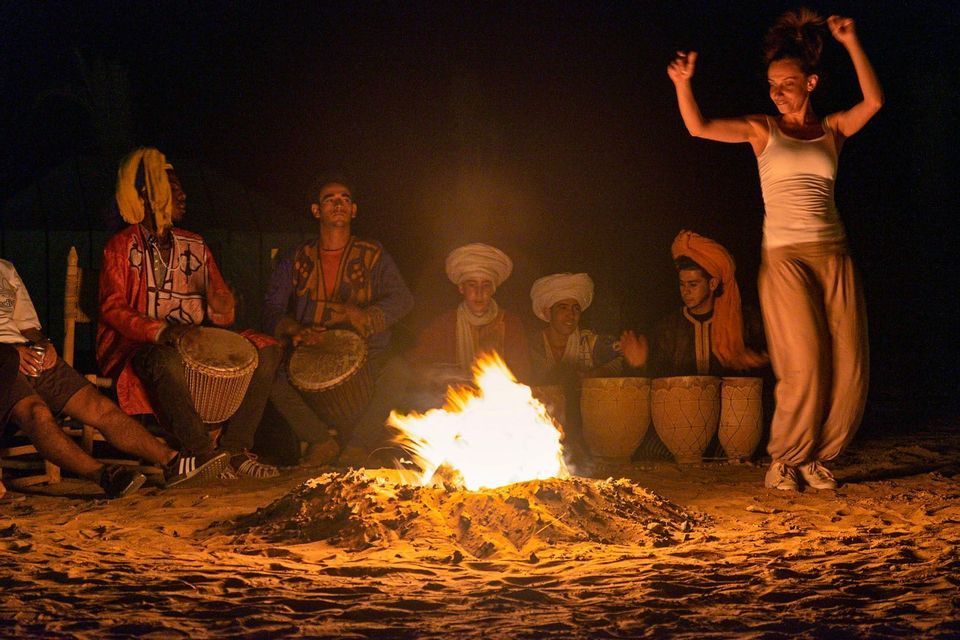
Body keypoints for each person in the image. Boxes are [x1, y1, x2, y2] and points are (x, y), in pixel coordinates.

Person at [667, 10, 882, 490]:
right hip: (786, 259)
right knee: (804, 362)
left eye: (786, 84)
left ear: (810, 82)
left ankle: (817, 459)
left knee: (849, 366)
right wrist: (684, 83)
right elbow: (698, 127)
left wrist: (850, 41)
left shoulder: (832, 130)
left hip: (834, 255)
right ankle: (784, 460)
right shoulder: (762, 129)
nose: (776, 92)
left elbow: (874, 100)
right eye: (771, 85)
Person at [97, 147, 281, 479]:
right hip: (139, 348)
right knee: (164, 359)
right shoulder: (121, 246)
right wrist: (162, 331)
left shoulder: (195, 244)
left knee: (267, 350)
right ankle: (203, 453)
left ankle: (235, 449)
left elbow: (221, 311)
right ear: (148, 196)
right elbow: (112, 308)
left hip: (194, 342)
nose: (183, 195)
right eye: (174, 188)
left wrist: (223, 308)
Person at [1, 260, 229, 498]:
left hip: (27, 352)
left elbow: (27, 325)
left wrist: (43, 344)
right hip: (4, 359)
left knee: (98, 407)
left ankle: (173, 462)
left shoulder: (5, 268)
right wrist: (13, 353)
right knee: (36, 412)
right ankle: (104, 475)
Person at [263, 175, 414, 464]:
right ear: (316, 211)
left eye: (345, 198)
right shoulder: (296, 257)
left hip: (368, 353)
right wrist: (296, 329)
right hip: (311, 351)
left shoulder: (373, 254)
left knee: (399, 371)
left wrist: (365, 316)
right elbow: (271, 307)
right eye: (330, 199)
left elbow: (403, 300)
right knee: (269, 375)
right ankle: (320, 441)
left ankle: (358, 446)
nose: (338, 203)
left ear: (354, 210)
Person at [624, 231, 767, 379]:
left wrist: (756, 362)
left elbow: (775, 360)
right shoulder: (668, 329)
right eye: (682, 285)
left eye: (693, 285)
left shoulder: (745, 322)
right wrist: (639, 365)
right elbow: (657, 381)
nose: (686, 291)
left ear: (712, 283)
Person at [407, 243, 531, 384]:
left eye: (486, 285)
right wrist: (446, 375)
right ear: (461, 288)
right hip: (454, 400)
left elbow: (523, 372)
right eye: (472, 284)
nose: (479, 293)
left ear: (493, 289)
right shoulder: (445, 324)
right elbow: (418, 363)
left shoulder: (510, 323)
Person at [528, 272, 624, 385]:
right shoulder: (531, 345)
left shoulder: (589, 342)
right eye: (563, 308)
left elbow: (621, 359)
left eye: (576, 309)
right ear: (548, 313)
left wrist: (593, 375)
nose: (571, 315)